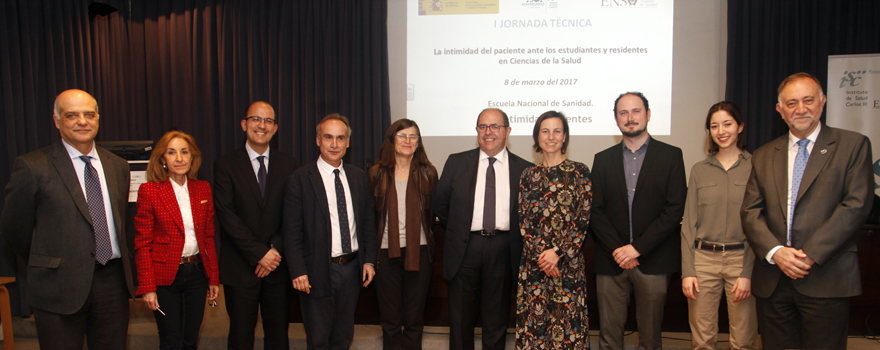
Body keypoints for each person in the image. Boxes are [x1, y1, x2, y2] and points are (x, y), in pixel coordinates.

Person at [741, 72, 874, 350]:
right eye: (791, 103)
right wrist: (777, 253)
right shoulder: (765, 154)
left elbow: (856, 206)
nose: (800, 109)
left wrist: (808, 255)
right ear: (780, 110)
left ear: (822, 101)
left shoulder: (852, 145)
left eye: (808, 100)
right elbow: (750, 212)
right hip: (773, 280)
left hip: (826, 277)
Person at [0, 89, 135, 350]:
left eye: (89, 114)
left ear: (98, 118)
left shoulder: (118, 165)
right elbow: (14, 229)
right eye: (71, 115)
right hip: (57, 285)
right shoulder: (32, 166)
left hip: (112, 284)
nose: (82, 121)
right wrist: (48, 261)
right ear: (57, 120)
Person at [589, 92, 687, 350]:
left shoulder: (671, 156)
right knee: (609, 339)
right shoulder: (602, 159)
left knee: (650, 339)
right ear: (616, 119)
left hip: (654, 260)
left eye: (636, 111)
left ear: (648, 114)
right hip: (611, 262)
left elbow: (674, 210)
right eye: (623, 113)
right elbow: (595, 211)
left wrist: (637, 248)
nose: (630, 118)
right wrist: (619, 251)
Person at [433, 108, 531, 350]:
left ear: (508, 131)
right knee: (460, 322)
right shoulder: (456, 162)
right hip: (465, 249)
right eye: (482, 127)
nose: (488, 132)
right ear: (477, 131)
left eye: (495, 126)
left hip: (503, 249)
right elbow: (440, 204)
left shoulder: (525, 169)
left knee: (496, 322)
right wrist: (459, 231)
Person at [283, 113, 377, 350]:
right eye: (328, 137)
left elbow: (367, 223)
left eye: (340, 138)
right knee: (318, 339)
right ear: (318, 140)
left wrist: (369, 261)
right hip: (316, 272)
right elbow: (291, 231)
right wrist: (298, 270)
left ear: (348, 143)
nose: (334, 144)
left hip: (352, 271)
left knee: (343, 337)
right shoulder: (300, 179)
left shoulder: (358, 177)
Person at [214, 101, 298, 350]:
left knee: (278, 337)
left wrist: (274, 250)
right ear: (244, 124)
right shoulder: (225, 165)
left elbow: (293, 215)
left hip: (278, 267)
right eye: (255, 119)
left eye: (268, 121)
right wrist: (259, 253)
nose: (262, 125)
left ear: (275, 128)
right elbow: (227, 215)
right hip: (240, 268)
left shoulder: (289, 164)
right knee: (240, 338)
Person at [681, 102, 758, 350]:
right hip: (703, 261)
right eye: (714, 126)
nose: (721, 131)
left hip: (741, 260)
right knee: (702, 340)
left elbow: (759, 223)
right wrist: (688, 271)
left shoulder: (757, 166)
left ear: (740, 127)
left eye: (727, 124)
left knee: (743, 339)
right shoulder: (699, 170)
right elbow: (688, 225)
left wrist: (747, 273)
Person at [134, 130, 220, 350]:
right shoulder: (149, 191)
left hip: (197, 275)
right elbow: (142, 244)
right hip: (165, 278)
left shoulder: (202, 188)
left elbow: (208, 237)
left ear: (192, 157)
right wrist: (147, 287)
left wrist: (213, 277)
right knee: (171, 342)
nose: (179, 159)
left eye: (184, 152)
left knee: (190, 340)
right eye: (172, 153)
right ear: (162, 158)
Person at [515, 111, 591, 349]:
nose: (551, 137)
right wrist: (543, 256)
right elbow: (524, 220)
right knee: (534, 329)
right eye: (545, 131)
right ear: (537, 137)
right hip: (535, 265)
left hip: (568, 266)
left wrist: (557, 253)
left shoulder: (580, 172)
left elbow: (582, 218)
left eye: (557, 131)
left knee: (567, 330)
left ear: (565, 136)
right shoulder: (528, 175)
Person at [368, 119, 438, 350]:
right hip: (386, 254)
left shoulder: (429, 172)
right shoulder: (376, 173)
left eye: (413, 137)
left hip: (419, 253)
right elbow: (369, 218)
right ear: (392, 140)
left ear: (418, 143)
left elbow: (433, 214)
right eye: (402, 136)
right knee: (390, 321)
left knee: (414, 320)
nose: (407, 141)